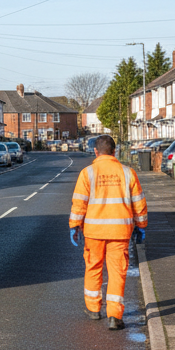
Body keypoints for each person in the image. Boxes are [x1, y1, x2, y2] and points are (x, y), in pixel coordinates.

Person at [68, 134, 147, 330]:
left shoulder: (87, 173)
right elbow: (138, 202)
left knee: (93, 268)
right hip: (120, 231)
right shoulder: (128, 173)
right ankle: (115, 316)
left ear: (95, 151)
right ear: (115, 151)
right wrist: (141, 226)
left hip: (94, 231)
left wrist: (74, 225)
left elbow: (79, 203)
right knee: (117, 272)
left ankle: (94, 310)